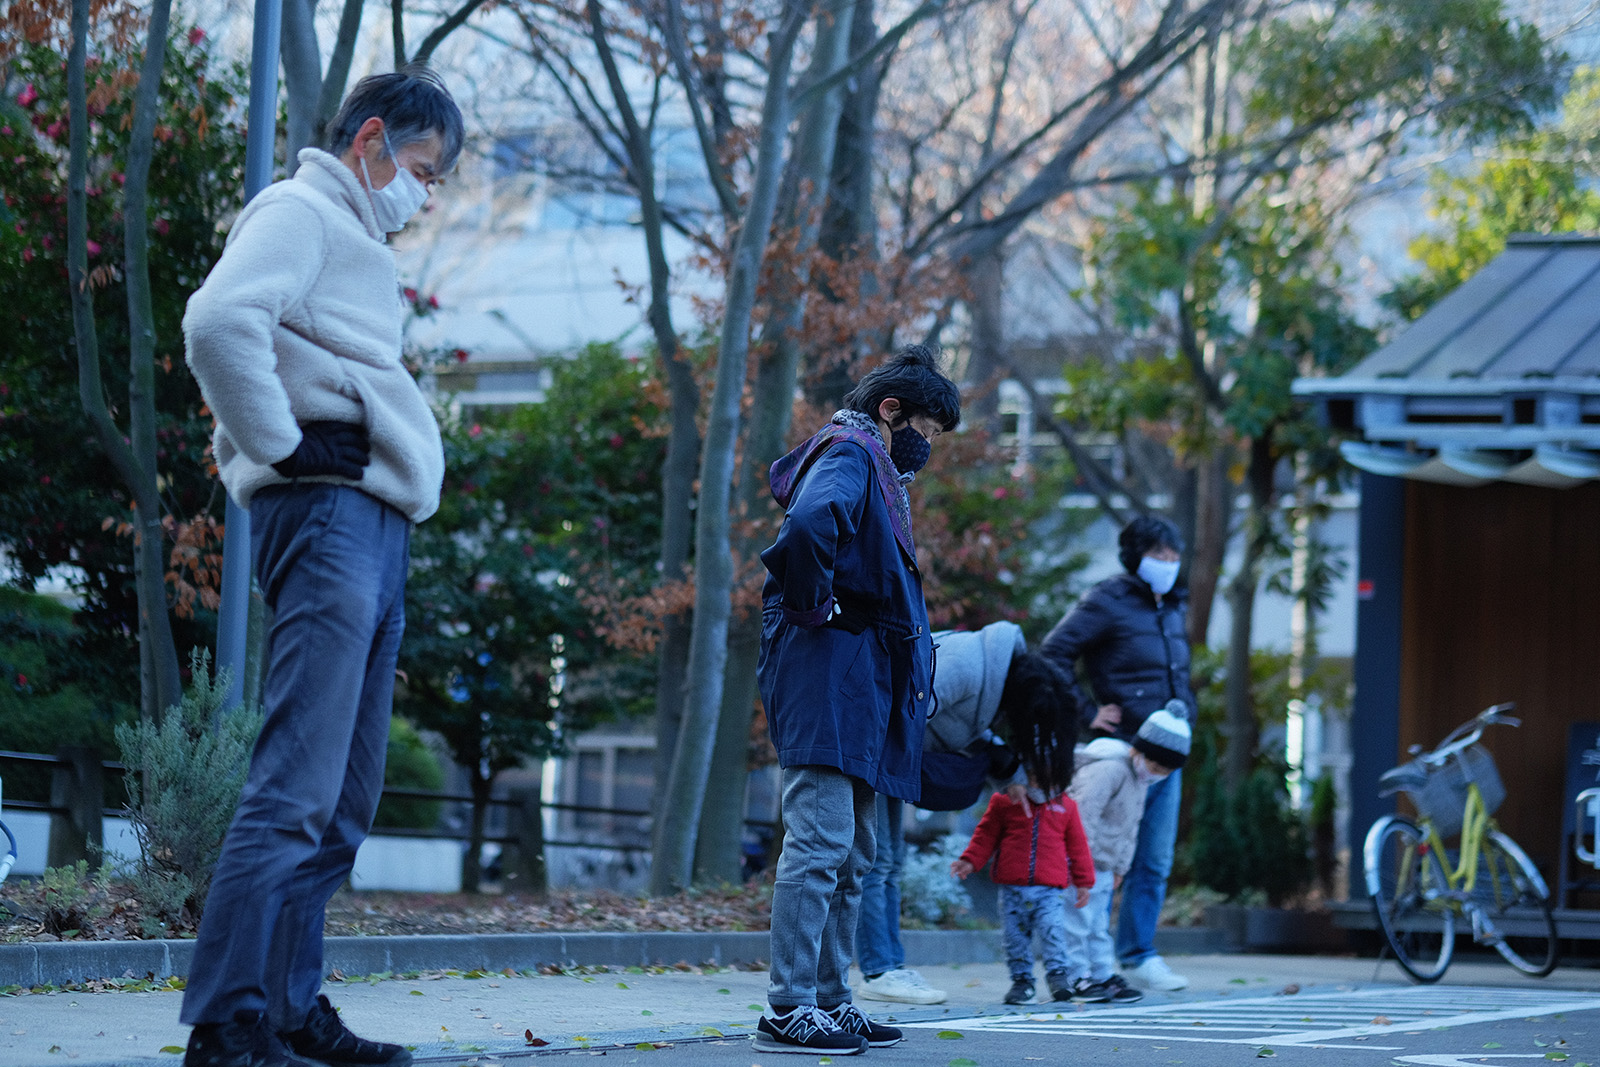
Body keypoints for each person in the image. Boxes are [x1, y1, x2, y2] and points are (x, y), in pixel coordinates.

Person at [179, 69, 463, 1067]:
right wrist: (285, 443)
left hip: (376, 518)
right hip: (330, 510)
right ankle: (227, 1021)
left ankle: (290, 1007)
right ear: (372, 139)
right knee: (296, 783)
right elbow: (217, 323)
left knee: (344, 796)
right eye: (420, 172)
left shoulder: (355, 239)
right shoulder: (300, 208)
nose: (422, 196)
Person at [754, 345, 960, 1055]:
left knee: (854, 852)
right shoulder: (849, 452)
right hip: (828, 673)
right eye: (925, 431)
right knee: (820, 846)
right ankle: (787, 1007)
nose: (924, 448)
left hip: (859, 681)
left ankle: (832, 1000)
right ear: (890, 411)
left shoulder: (868, 460)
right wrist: (816, 610)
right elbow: (810, 527)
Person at [855, 621, 1078, 1005]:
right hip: (868, 751)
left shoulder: (993, 674)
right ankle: (878, 970)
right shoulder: (965, 665)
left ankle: (889, 966)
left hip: (886, 760)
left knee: (889, 864)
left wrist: (1010, 773)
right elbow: (896, 711)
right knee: (876, 863)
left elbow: (969, 728)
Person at [1038, 514, 1196, 993]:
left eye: (1173, 557)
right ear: (1135, 556)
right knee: (1102, 858)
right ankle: (1087, 961)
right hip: (1123, 753)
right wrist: (1088, 711)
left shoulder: (1173, 605)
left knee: (1154, 858)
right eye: (1158, 556)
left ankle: (1139, 953)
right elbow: (1052, 653)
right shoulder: (1108, 598)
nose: (1168, 565)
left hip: (1167, 753)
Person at [1062, 705, 1192, 1004]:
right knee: (1077, 921)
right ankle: (1075, 976)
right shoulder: (1109, 768)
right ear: (1140, 751)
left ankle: (1101, 974)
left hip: (1105, 865)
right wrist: (1078, 863)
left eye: (1165, 773)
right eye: (1156, 767)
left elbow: (1131, 826)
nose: (1157, 775)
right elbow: (1083, 814)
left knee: (1097, 925)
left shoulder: (1140, 778)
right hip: (1081, 863)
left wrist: (1121, 865)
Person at [950, 777, 1095, 1005]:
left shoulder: (1066, 805)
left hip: (1049, 890)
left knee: (1052, 931)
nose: (1038, 785)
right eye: (1032, 778)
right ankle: (1022, 982)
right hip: (1013, 888)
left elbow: (1078, 845)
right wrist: (970, 860)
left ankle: (1058, 976)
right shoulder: (1005, 800)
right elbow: (986, 834)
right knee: (1014, 938)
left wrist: (1084, 881)